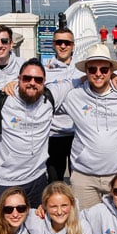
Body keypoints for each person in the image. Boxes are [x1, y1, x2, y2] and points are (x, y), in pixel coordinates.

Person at [59, 43, 117, 209]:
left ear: (111, 71)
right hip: (84, 177)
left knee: (115, 228)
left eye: (104, 70)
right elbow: (43, 96)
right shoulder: (74, 96)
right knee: (86, 226)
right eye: (92, 70)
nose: (98, 74)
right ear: (86, 72)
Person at [0, 57, 73, 208]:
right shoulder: (2, 98)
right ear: (18, 79)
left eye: (38, 79)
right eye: (27, 78)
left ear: (44, 82)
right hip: (6, 181)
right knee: (6, 229)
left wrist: (114, 75)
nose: (32, 82)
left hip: (38, 180)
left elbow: (76, 80)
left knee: (36, 227)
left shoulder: (50, 97)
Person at [45, 28, 78, 182]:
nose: (63, 46)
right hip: (53, 134)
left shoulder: (82, 69)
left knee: (78, 182)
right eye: (59, 42)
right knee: (54, 181)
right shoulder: (44, 70)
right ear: (54, 45)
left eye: (67, 43)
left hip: (77, 134)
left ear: (73, 45)